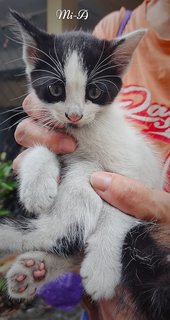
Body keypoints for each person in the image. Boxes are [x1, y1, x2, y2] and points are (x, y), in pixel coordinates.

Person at [13, 0, 170, 319]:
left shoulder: (113, 127)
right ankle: (62, 254)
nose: (74, 113)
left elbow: (125, 189)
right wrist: (38, 158)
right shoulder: (116, 26)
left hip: (138, 248)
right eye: (57, 89)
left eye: (93, 95)